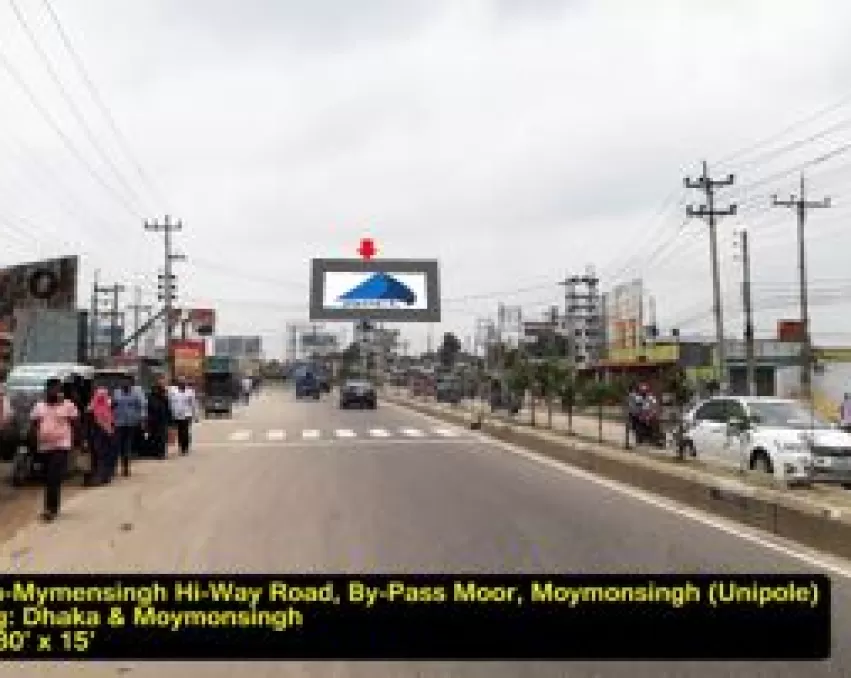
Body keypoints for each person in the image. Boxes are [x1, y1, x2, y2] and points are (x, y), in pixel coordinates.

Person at [29, 377, 79, 521]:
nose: (54, 391)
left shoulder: (68, 405)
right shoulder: (39, 406)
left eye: (57, 389)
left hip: (62, 445)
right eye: (52, 389)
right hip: (44, 446)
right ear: (47, 390)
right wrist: (33, 442)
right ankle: (53, 507)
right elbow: (34, 424)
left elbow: (76, 423)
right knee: (47, 477)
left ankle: (49, 509)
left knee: (53, 475)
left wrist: (78, 442)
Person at [111, 378, 145, 478]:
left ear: (131, 384)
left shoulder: (136, 393)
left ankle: (125, 468)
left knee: (127, 445)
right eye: (123, 383)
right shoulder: (116, 392)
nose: (125, 385)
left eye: (127, 383)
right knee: (118, 445)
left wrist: (141, 419)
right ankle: (115, 468)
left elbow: (141, 405)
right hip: (118, 422)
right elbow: (113, 404)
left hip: (131, 422)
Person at [85, 388, 114, 485]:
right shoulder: (107, 406)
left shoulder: (92, 407)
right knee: (102, 456)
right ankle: (103, 477)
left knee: (99, 456)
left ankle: (101, 477)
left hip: (99, 435)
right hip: (102, 434)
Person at [169, 377, 198, 455]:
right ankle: (181, 446)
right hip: (176, 415)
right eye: (180, 382)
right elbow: (170, 402)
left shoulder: (190, 392)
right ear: (177, 383)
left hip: (186, 414)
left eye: (183, 382)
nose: (182, 383)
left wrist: (195, 416)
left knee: (185, 432)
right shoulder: (172, 391)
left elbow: (193, 404)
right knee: (179, 432)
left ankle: (185, 447)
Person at [146, 377, 171, 459]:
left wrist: (170, 419)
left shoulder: (164, 395)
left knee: (162, 437)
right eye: (161, 384)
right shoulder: (152, 396)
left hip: (162, 419)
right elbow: (149, 407)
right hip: (154, 419)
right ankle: (157, 452)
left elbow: (167, 407)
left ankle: (161, 453)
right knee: (155, 436)